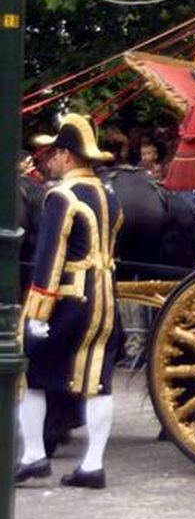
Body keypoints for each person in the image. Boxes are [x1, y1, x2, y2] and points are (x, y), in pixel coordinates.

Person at [16, 114, 122, 489]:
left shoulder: (62, 195)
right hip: (104, 297)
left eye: (54, 153)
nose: (50, 160)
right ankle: (92, 465)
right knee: (98, 382)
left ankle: (33, 455)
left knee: (29, 373)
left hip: (69, 297)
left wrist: (39, 311)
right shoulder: (108, 195)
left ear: (66, 155)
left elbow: (50, 255)